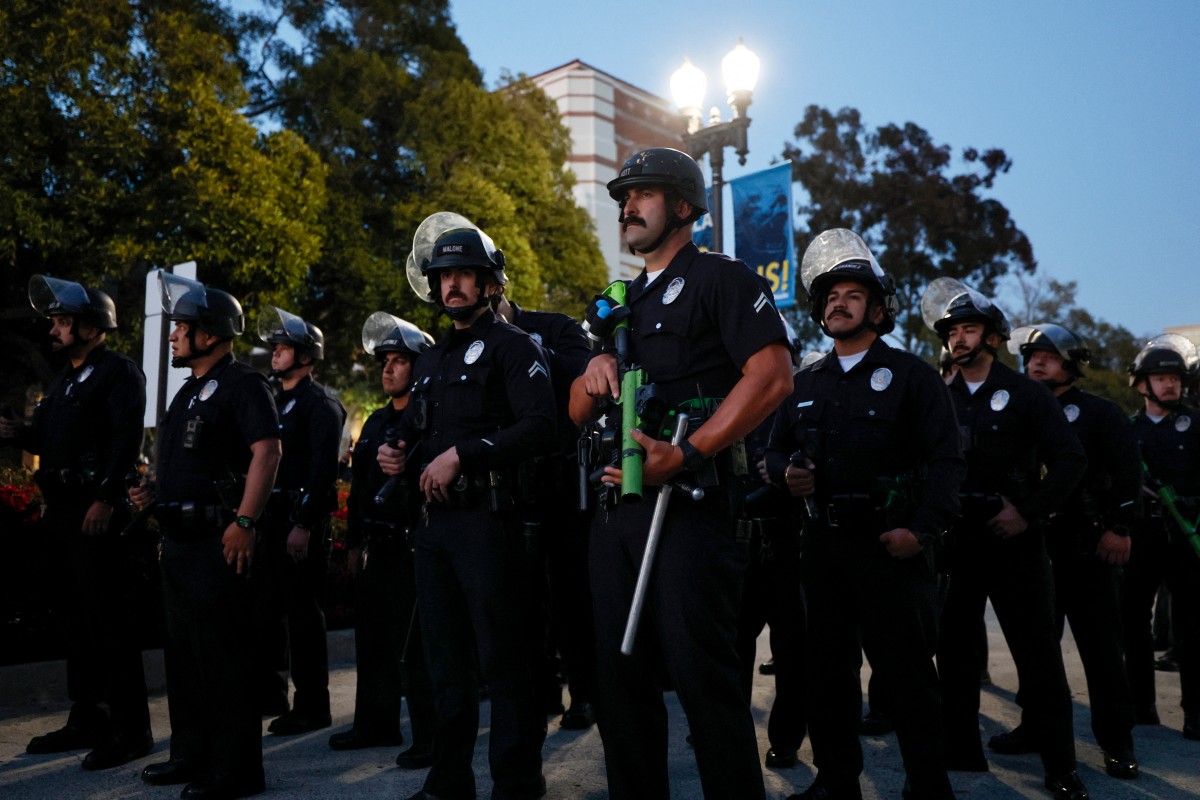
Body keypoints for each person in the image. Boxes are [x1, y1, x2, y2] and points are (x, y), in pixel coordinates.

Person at [571, 146, 792, 799]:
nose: (627, 207)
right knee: (618, 688)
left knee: (705, 686)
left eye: (642, 195)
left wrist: (690, 452)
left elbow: (772, 376)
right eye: (622, 198)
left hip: (691, 511)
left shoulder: (721, 280)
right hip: (616, 513)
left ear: (685, 206)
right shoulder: (616, 305)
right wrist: (592, 374)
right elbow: (575, 411)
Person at [765, 230, 964, 800]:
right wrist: (785, 474)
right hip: (822, 548)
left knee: (908, 679)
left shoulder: (913, 376)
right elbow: (774, 451)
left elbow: (948, 462)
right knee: (827, 677)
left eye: (852, 294)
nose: (838, 302)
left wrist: (921, 531)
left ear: (878, 308)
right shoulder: (804, 383)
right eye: (829, 296)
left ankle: (928, 784)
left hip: (891, 546)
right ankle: (836, 782)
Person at [379, 223, 557, 800]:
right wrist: (394, 452)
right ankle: (448, 779)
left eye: (463, 275)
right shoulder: (429, 360)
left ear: (487, 282)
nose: (452, 285)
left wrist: (465, 454)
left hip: (491, 523)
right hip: (435, 531)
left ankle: (516, 782)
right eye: (444, 277)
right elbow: (413, 434)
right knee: (444, 663)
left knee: (506, 661)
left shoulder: (513, 345)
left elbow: (540, 426)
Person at [920, 277, 1089, 800]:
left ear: (992, 337)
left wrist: (1029, 511)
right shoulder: (935, 396)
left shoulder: (1027, 394)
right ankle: (962, 750)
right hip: (956, 542)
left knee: (1038, 657)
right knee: (955, 654)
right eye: (953, 332)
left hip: (1014, 542)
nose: (960, 339)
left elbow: (1070, 462)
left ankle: (1061, 768)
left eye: (971, 329)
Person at [132, 272, 280, 800]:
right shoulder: (189, 391)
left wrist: (244, 522)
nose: (173, 336)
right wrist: (154, 493)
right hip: (179, 541)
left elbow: (267, 452)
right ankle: (191, 755)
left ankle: (235, 772)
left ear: (211, 334)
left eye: (183, 328)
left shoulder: (244, 384)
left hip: (219, 543)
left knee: (223, 660)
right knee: (186, 659)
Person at [3, 276, 152, 770]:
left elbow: (125, 442)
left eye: (64, 322)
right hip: (63, 511)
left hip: (96, 510)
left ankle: (131, 731)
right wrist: (16, 432)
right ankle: (88, 717)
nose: (56, 329)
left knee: (110, 621)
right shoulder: (64, 378)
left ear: (93, 327)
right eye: (56, 322)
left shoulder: (118, 372)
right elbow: (49, 439)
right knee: (74, 622)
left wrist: (107, 499)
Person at [985, 323, 1139, 778]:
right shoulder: (1015, 407)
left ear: (1071, 365)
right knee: (1036, 652)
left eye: (1049, 357)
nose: (1036, 363)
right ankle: (1036, 728)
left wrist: (1120, 528)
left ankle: (1118, 743)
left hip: (1088, 550)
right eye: (1032, 356)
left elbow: (1128, 476)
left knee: (1102, 651)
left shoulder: (1100, 413)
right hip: (1032, 551)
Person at [327, 312, 436, 770]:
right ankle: (376, 723)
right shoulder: (372, 422)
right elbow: (361, 486)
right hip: (375, 547)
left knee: (416, 648)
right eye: (384, 361)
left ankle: (429, 737)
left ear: (419, 367)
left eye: (398, 361)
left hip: (413, 546)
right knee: (371, 641)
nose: (387, 369)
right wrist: (352, 546)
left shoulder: (427, 418)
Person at [494, 292, 598, 730]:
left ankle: (586, 694)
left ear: (497, 290)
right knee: (522, 597)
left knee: (571, 593)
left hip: (563, 478)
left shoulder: (556, 326)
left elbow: (581, 375)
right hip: (512, 484)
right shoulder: (473, 341)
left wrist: (523, 345)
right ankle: (542, 691)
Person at [253, 307, 346, 735]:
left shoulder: (320, 403)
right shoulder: (272, 399)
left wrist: (304, 523)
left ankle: (313, 706)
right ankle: (270, 693)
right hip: (269, 519)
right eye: (275, 346)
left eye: (285, 347)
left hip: (299, 521)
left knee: (304, 614)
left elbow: (323, 472)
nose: (276, 353)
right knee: (266, 609)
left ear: (306, 356)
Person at [1122, 333, 1200, 740]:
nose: (1171, 385)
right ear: (1142, 384)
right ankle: (1141, 705)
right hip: (1140, 535)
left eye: (1175, 379)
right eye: (1161, 378)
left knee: (1192, 624)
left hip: (1186, 537)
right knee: (1134, 620)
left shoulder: (1196, 423)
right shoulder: (1125, 429)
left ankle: (1196, 711)